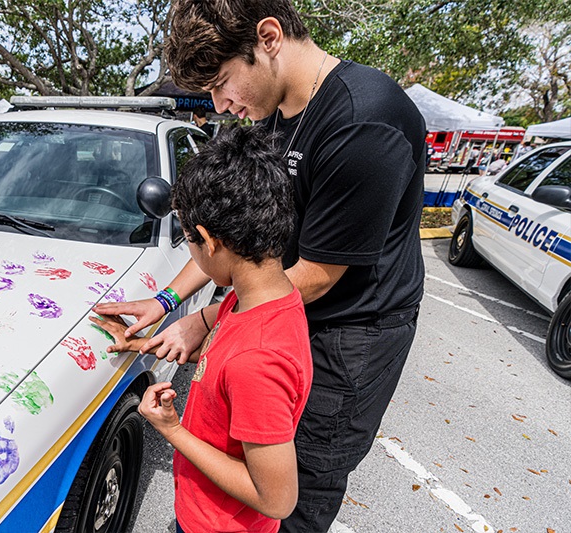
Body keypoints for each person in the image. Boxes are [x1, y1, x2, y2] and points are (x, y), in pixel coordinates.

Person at [94, 1, 425, 530]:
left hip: (348, 332)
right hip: (266, 305)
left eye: (224, 83)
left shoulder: (363, 122)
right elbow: (234, 238)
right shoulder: (266, 113)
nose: (223, 106)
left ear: (268, 38)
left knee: (298, 488)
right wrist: (165, 302)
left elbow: (316, 273)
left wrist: (206, 321)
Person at [92, 125, 312, 533]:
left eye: (190, 243)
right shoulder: (258, 298)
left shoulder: (258, 359)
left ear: (208, 241)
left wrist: (170, 429)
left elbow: (277, 499)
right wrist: (137, 343)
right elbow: (219, 358)